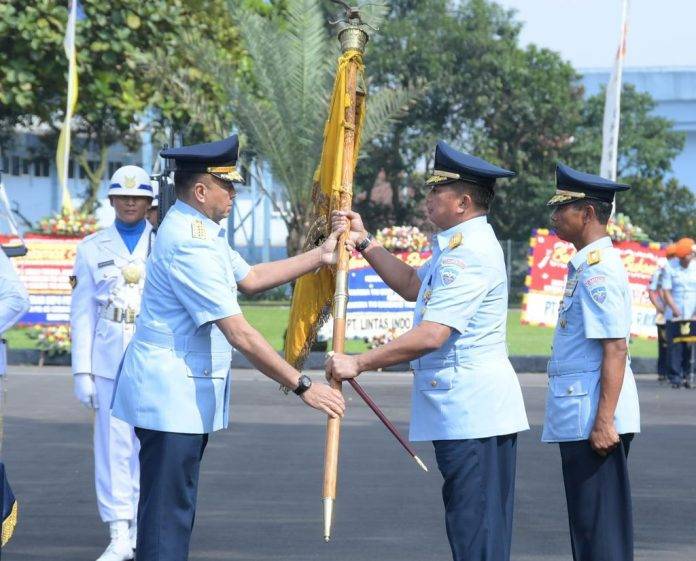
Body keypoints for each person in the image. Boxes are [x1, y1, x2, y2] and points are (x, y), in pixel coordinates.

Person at [110, 135, 345, 561]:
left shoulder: (201, 230)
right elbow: (240, 333)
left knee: (173, 511)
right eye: (227, 185)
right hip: (169, 397)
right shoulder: (190, 241)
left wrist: (319, 257)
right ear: (201, 191)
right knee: (167, 517)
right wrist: (303, 384)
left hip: (178, 394)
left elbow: (251, 277)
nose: (234, 192)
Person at [327, 141, 529, 561]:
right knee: (471, 526)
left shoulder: (468, 254)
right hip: (464, 411)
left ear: (463, 202)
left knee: (476, 531)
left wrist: (359, 362)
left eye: (437, 190)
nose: (428, 198)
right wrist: (365, 243)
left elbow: (432, 334)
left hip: (473, 413)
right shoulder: (456, 246)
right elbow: (412, 286)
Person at [543, 163, 640, 561]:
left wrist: (604, 420)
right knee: (589, 528)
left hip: (594, 418)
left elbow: (615, 347)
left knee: (600, 533)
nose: (553, 216)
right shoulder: (586, 264)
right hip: (583, 411)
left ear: (587, 214)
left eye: (562, 208)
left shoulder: (598, 271)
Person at [70, 165, 154, 561]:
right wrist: (81, 371)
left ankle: (143, 524)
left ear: (150, 201)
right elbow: (82, 311)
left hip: (155, 352)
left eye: (138, 197)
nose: (130, 202)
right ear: (111, 200)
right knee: (113, 444)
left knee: (151, 443)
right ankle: (119, 531)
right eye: (123, 196)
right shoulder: (92, 247)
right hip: (108, 353)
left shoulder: (165, 242)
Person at [661, 237, 696, 388]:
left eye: (690, 255)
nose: (688, 258)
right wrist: (674, 308)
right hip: (674, 314)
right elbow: (666, 291)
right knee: (675, 346)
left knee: (690, 344)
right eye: (684, 257)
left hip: (692, 313)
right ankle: (675, 377)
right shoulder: (670, 267)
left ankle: (689, 374)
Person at [647, 244, 676, 382]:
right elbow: (652, 291)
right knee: (664, 345)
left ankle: (677, 372)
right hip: (664, 315)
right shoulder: (661, 271)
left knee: (679, 344)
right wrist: (660, 307)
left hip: (680, 314)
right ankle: (663, 372)